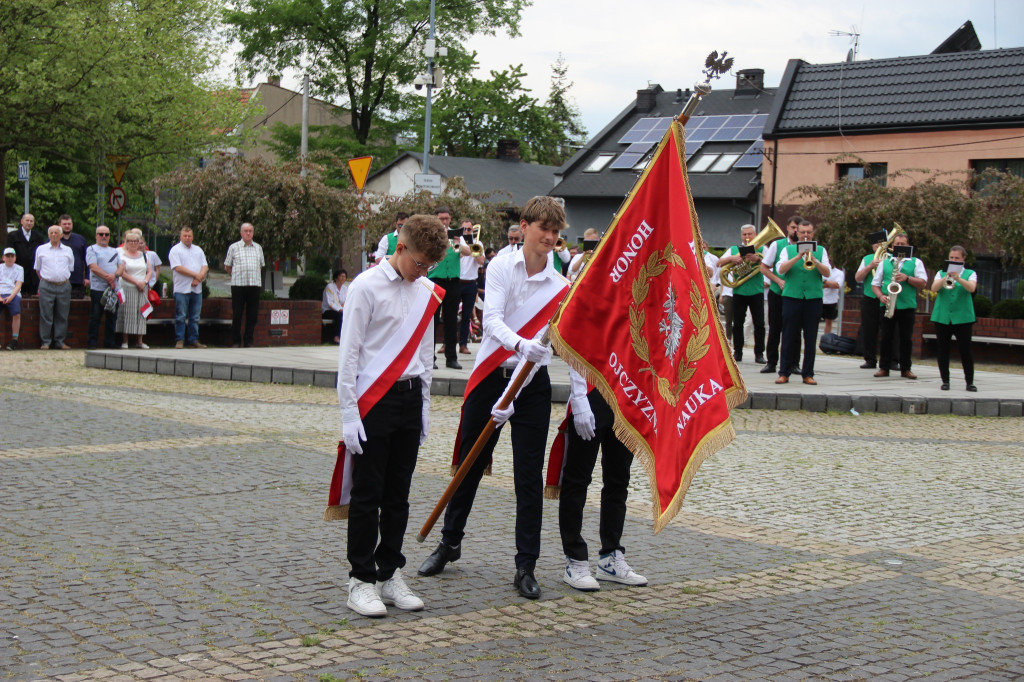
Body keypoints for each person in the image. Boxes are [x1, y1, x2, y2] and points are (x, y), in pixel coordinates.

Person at [418, 196, 570, 601]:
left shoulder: (561, 285)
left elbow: (566, 339)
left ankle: (526, 565)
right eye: (544, 230)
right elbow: (492, 322)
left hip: (532, 385)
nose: (550, 238)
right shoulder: (503, 263)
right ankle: (450, 542)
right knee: (469, 462)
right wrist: (522, 345)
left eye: (556, 233)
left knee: (528, 477)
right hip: (492, 376)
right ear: (525, 226)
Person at [335, 214, 448, 618]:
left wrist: (425, 408)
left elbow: (425, 355)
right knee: (368, 495)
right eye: (419, 263)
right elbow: (349, 354)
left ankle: (389, 573)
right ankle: (360, 580)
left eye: (430, 267)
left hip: (408, 397)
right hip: (374, 401)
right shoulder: (365, 287)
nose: (423, 272)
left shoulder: (426, 291)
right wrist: (349, 413)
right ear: (400, 248)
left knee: (398, 494)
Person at [550, 245, 647, 592]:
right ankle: (575, 560)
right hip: (589, 395)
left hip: (623, 398)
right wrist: (579, 400)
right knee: (578, 481)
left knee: (618, 480)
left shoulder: (633, 297)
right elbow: (571, 346)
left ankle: (610, 555)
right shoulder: (583, 297)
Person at [775, 221, 830, 385]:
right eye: (803, 232)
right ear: (796, 234)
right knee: (788, 336)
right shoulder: (788, 249)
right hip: (792, 297)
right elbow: (781, 269)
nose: (806, 235)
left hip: (813, 298)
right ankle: (784, 372)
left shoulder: (821, 250)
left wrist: (816, 261)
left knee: (811, 337)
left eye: (809, 232)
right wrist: (798, 256)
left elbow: (827, 273)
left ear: (813, 234)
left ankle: (808, 374)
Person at [872, 233, 926, 380]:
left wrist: (907, 278)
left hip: (907, 305)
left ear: (908, 246)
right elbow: (875, 284)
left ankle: (906, 369)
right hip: (888, 303)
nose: (900, 246)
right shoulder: (885, 262)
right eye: (897, 244)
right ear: (893, 246)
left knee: (906, 338)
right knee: (886, 337)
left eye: (903, 244)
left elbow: (923, 282)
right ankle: (884, 367)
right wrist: (880, 296)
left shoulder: (916, 262)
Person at [930, 245, 977, 392]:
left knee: (965, 350)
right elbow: (934, 288)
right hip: (943, 316)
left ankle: (969, 382)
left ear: (963, 259)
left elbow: (971, 288)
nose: (954, 260)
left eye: (957, 258)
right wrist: (946, 277)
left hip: (963, 317)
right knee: (943, 349)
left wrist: (958, 278)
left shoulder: (970, 273)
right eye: (951, 258)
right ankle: (945, 381)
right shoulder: (940, 272)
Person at [717, 224, 766, 363]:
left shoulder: (762, 248)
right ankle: (737, 352)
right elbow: (719, 263)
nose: (747, 237)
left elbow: (771, 265)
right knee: (737, 323)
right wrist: (732, 259)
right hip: (739, 291)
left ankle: (759, 354)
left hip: (757, 291)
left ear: (755, 234)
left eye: (750, 234)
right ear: (741, 236)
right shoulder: (734, 249)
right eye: (745, 234)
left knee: (759, 324)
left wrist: (757, 260)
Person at [759, 216, 800, 374]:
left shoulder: (806, 247)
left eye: (798, 228)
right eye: (793, 227)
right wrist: (777, 280)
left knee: (795, 330)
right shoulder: (777, 244)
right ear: (787, 228)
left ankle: (794, 363)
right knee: (775, 328)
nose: (795, 231)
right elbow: (764, 268)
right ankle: (771, 362)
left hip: (796, 294)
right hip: (778, 292)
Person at [428, 207, 464, 369]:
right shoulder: (431, 235)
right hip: (436, 279)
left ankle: (451, 357)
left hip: (453, 280)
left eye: (447, 218)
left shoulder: (456, 235)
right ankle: (430, 358)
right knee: (433, 321)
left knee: (451, 320)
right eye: (441, 218)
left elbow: (469, 253)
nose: (445, 221)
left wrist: (457, 243)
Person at [224, 222, 266, 348]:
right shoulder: (234, 247)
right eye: (246, 231)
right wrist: (236, 274)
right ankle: (236, 341)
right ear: (241, 233)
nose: (248, 233)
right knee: (237, 314)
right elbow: (227, 266)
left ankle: (249, 340)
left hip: (254, 285)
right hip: (238, 285)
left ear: (253, 233)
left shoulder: (258, 248)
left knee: (252, 315)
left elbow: (260, 265)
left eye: (250, 231)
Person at [34, 225, 75, 349]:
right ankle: (45, 341)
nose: (53, 235)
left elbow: (70, 268)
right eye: (51, 233)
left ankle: (59, 341)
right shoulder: (41, 249)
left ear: (61, 235)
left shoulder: (68, 250)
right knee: (46, 314)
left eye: (56, 233)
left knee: (62, 315)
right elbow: (37, 268)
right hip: (46, 285)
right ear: (48, 235)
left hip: (64, 285)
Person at [168, 227, 209, 349]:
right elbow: (178, 268)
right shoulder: (175, 250)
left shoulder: (198, 250)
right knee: (181, 315)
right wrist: (195, 275)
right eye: (185, 235)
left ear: (192, 236)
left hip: (197, 289)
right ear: (180, 236)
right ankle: (180, 339)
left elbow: (205, 266)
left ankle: (193, 340)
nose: (187, 238)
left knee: (195, 317)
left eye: (189, 236)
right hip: (181, 288)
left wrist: (198, 277)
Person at [115, 231, 153, 349]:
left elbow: (149, 271)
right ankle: (125, 341)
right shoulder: (121, 256)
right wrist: (137, 282)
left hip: (142, 288)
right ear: (126, 242)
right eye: (130, 241)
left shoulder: (143, 255)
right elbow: (122, 273)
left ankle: (140, 341)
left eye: (135, 241)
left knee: (142, 313)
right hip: (128, 287)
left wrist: (145, 282)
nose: (133, 243)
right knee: (127, 313)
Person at [855, 231, 887, 369]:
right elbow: (858, 278)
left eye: (880, 243)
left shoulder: (890, 258)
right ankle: (870, 359)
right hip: (870, 297)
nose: (878, 245)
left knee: (889, 331)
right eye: (875, 243)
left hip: (886, 297)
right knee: (869, 330)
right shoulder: (867, 258)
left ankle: (891, 360)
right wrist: (870, 266)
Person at [85, 225, 120, 349]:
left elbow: (121, 267)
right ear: (96, 236)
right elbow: (93, 267)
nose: (104, 236)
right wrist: (108, 278)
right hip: (98, 289)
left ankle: (109, 342)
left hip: (113, 289)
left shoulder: (115, 251)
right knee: (96, 316)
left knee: (112, 317)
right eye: (101, 234)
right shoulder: (91, 249)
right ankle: (92, 342)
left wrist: (114, 275)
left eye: (106, 234)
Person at [457, 219, 485, 354]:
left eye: (469, 229)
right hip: (456, 281)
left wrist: (471, 246)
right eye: (464, 229)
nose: (467, 232)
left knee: (467, 316)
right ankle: (446, 343)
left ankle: (463, 344)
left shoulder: (478, 243)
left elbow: (480, 260)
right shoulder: (457, 241)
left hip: (470, 283)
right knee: (450, 315)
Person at [6, 213, 43, 297]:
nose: (29, 223)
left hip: (33, 275)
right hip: (18, 273)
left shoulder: (38, 236)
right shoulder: (12, 236)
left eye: (31, 221)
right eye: (27, 220)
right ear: (21, 221)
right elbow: (9, 253)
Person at [58, 214, 89, 299]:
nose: (67, 226)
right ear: (59, 225)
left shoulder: (80, 239)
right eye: (64, 224)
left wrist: (87, 277)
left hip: (77, 280)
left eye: (69, 224)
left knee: (77, 307)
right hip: (60, 281)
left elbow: (87, 260)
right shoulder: (54, 240)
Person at [1, 247, 24, 350]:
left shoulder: (19, 268)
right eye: (7, 256)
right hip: (1, 293)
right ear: (3, 258)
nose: (10, 258)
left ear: (15, 258)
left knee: (16, 314)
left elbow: (18, 285)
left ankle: (14, 339)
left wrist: (10, 297)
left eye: (12, 256)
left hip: (13, 294)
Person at [322, 269, 348, 344]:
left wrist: (343, 308)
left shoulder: (345, 288)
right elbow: (330, 303)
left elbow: (346, 301)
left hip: (341, 310)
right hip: (328, 310)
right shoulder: (330, 287)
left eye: (344, 276)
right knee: (339, 316)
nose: (343, 278)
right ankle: (336, 336)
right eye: (341, 276)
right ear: (336, 277)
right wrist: (340, 309)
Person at [822, 266, 845, 335]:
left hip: (831, 301)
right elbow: (816, 285)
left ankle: (826, 339)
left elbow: (837, 285)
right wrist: (830, 284)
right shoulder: (820, 270)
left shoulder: (839, 273)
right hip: (818, 299)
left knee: (829, 322)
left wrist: (824, 281)